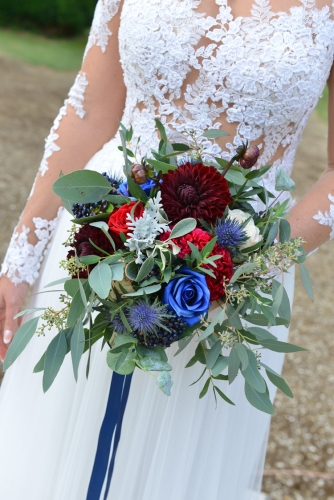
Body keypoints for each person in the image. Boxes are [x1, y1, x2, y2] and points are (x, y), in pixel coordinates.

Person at [0, 1, 334, 499]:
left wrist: (251, 268)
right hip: (102, 236)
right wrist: (20, 262)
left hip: (236, 264)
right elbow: (89, 113)